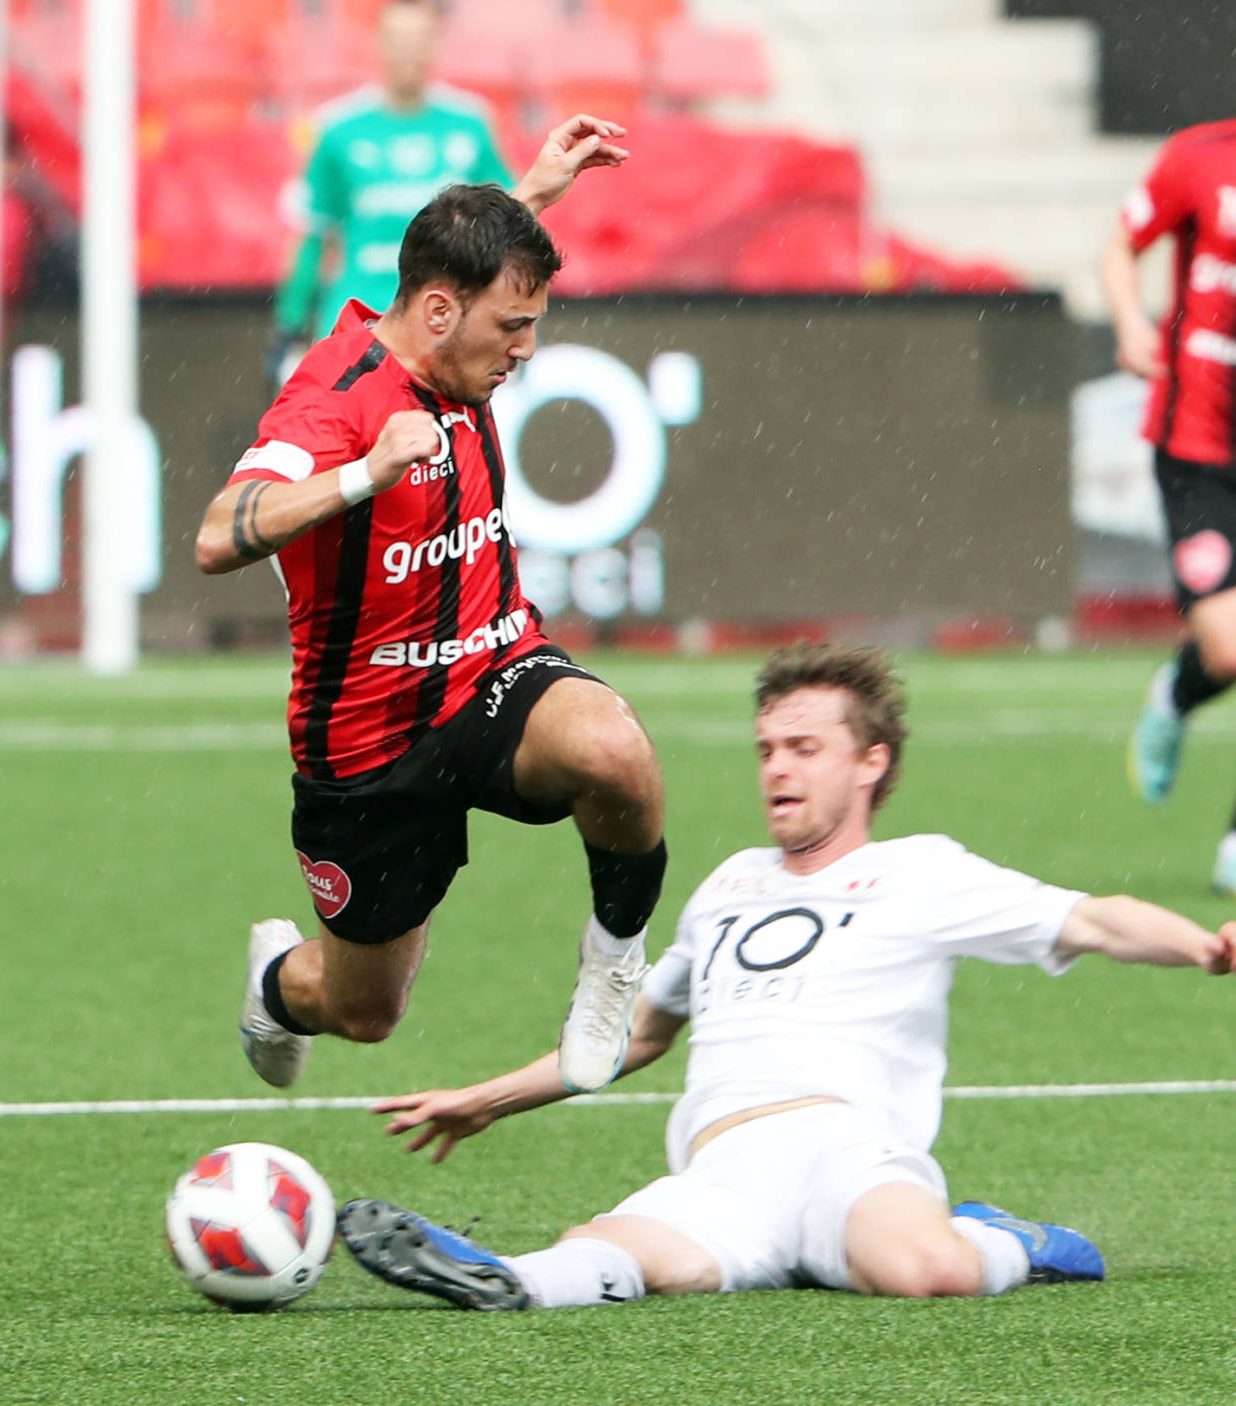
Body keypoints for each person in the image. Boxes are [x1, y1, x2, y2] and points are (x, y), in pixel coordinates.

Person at [336, 641, 1236, 1311]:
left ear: (869, 762)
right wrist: (487, 1099)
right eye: (768, 748)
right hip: (724, 1168)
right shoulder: (727, 884)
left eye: (804, 748)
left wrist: (1203, 946)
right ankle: (502, 1279)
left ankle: (998, 1237)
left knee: (926, 1272)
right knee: (613, 1251)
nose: (777, 768)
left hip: (846, 1150)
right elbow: (637, 1033)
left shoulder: (923, 871)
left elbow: (1091, 919)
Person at [195, 119, 666, 1099]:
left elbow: (465, 276)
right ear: (442, 315)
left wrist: (527, 195)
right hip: (368, 743)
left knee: (614, 748)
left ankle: (615, 969)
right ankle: (280, 987)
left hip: (492, 672)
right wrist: (361, 476)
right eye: (514, 329)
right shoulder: (331, 403)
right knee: (364, 1013)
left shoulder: (457, 335)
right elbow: (218, 532)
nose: (527, 352)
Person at [1103, 120, 1236, 893]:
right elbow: (1119, 243)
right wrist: (1128, 320)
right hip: (1196, 445)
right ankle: (1177, 691)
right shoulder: (1198, 158)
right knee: (1227, 649)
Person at [270, 0, 513, 381]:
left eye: (418, 41)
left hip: (446, 333)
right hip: (356, 330)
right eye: (399, 40)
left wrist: (512, 322)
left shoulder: (471, 125)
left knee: (444, 440)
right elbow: (313, 236)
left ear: (436, 44)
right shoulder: (337, 129)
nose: (408, 52)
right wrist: (290, 323)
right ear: (378, 44)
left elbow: (508, 234)